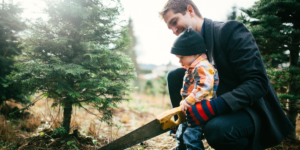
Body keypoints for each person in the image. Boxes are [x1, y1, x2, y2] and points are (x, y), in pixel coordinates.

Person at [160, 0, 294, 150]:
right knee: (175, 75)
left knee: (217, 130)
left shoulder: (230, 31)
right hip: (218, 103)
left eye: (174, 21)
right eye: (170, 27)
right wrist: (180, 119)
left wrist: (213, 107)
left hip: (250, 110)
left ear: (190, 11)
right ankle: (186, 134)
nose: (174, 30)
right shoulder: (194, 50)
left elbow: (257, 83)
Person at [170, 26, 220, 150]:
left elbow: (204, 88)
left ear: (193, 53)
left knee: (191, 136)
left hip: (201, 111)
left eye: (182, 57)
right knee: (181, 131)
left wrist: (188, 100)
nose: (180, 62)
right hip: (192, 110)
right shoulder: (194, 66)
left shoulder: (202, 66)